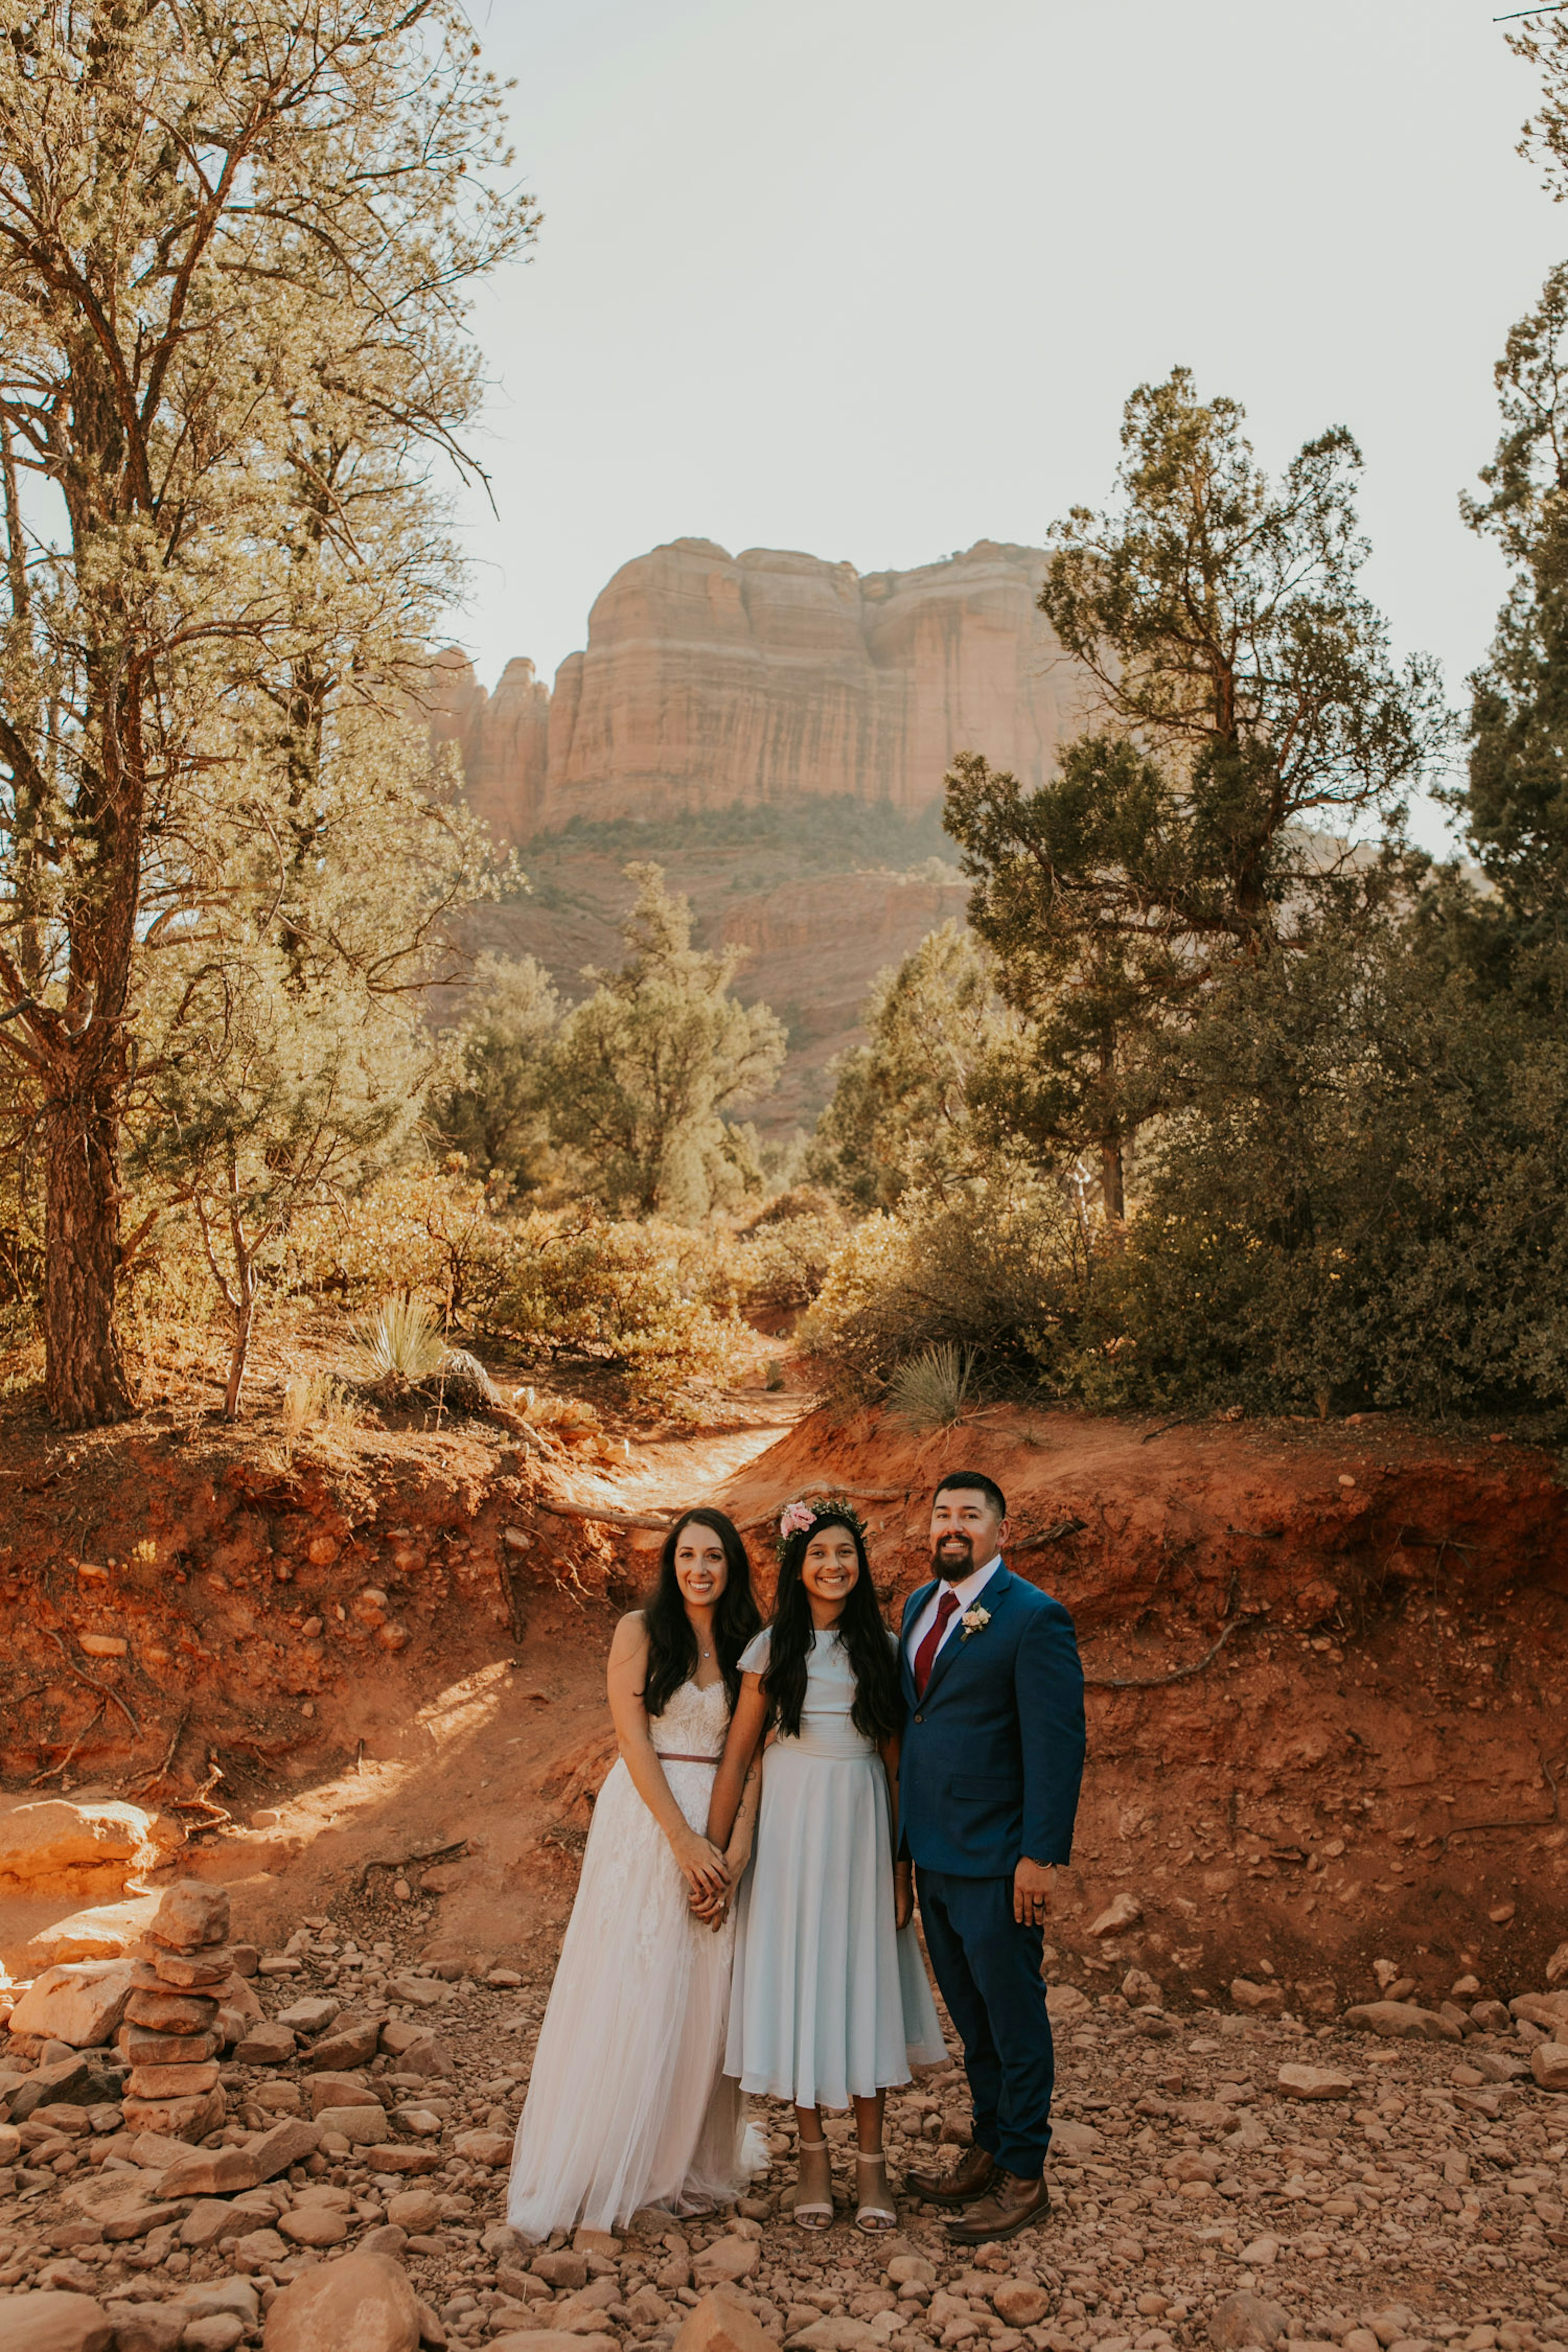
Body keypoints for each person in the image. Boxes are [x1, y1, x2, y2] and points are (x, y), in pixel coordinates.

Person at [506, 1507, 765, 2237]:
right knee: (635, 1978)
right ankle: (611, 2154)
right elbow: (631, 1739)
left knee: (703, 1984)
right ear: (671, 1563)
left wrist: (735, 1848)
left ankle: (681, 2161)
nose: (700, 1570)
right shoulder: (639, 1632)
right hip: (649, 1819)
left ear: (732, 1566)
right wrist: (682, 1841)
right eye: (687, 1556)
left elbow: (762, 1750)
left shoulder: (753, 1642)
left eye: (714, 1557)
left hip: (721, 1812)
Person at [706, 1496, 947, 2236]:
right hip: (789, 1829)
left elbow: (897, 1763)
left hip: (861, 1825)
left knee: (860, 1982)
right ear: (798, 1566)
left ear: (860, 1564)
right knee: (804, 1982)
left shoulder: (883, 1645)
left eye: (846, 1554)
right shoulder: (770, 1650)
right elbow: (739, 1753)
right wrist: (712, 1857)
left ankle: (871, 2167)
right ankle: (814, 2160)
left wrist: (901, 1868)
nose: (834, 1566)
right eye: (819, 1554)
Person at [896, 1470, 1086, 2244]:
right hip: (934, 1854)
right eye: (942, 1514)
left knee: (1013, 2016)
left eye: (969, 1516)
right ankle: (988, 2144)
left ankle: (1026, 2175)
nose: (952, 1526)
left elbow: (1057, 1745)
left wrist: (1041, 1856)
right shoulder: (917, 1606)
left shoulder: (1034, 1617)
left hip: (1000, 1859)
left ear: (1000, 1532)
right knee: (971, 2019)